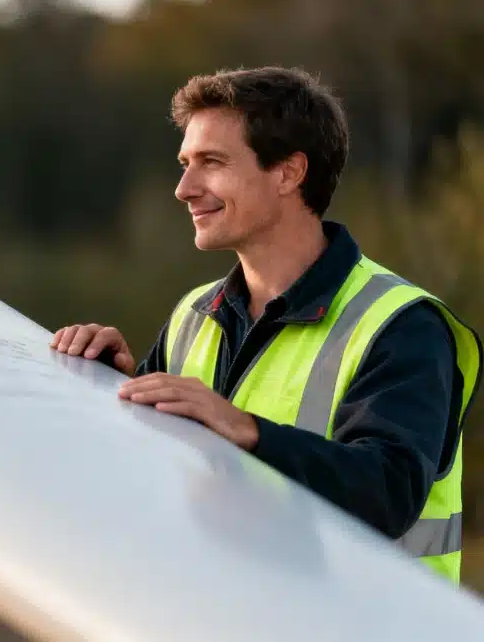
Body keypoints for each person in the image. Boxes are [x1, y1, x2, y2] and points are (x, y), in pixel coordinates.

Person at [51, 66, 482, 584]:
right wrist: (114, 383)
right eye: (185, 164)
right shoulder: (194, 313)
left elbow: (388, 493)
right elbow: (156, 477)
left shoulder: (402, 324)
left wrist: (248, 431)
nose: (184, 188)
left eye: (211, 162)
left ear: (288, 174)